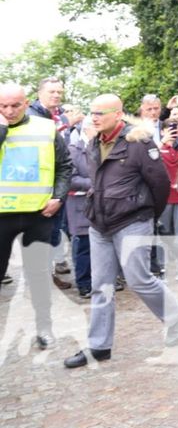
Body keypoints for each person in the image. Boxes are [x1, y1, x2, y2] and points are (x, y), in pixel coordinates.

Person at [63, 94, 178, 368]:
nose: (94, 117)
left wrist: (147, 216)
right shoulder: (94, 141)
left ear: (118, 114)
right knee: (101, 286)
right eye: (92, 112)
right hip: (100, 222)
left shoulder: (139, 143)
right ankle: (99, 346)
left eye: (100, 113)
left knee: (138, 278)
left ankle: (176, 315)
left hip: (132, 220)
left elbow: (159, 184)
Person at [0, 82, 73, 349]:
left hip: (38, 213)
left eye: (15, 105)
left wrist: (59, 197)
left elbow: (65, 166)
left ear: (27, 102)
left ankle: (44, 328)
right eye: (3, 106)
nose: (9, 111)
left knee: (39, 276)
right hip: (2, 215)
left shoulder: (46, 127)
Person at [29, 77, 73, 288]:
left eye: (59, 92)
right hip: (37, 189)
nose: (56, 95)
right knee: (41, 237)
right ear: (39, 93)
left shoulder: (54, 116)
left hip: (55, 185)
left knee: (51, 235)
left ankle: (45, 277)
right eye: (51, 91)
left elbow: (62, 160)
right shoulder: (31, 117)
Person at [66, 119, 97, 298]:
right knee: (83, 246)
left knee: (101, 245)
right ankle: (84, 283)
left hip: (102, 205)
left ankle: (101, 280)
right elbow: (70, 179)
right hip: (80, 205)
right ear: (86, 129)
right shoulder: (73, 150)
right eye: (95, 125)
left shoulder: (103, 147)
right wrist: (95, 184)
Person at [159, 114, 178, 285]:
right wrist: (162, 143)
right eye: (169, 129)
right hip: (163, 198)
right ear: (162, 131)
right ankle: (164, 270)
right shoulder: (156, 147)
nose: (173, 133)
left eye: (175, 130)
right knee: (164, 234)